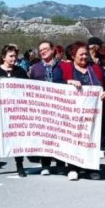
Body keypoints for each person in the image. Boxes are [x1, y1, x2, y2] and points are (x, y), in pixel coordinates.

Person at [60, 41, 105, 181]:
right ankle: (73, 167)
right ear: (73, 55)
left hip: (92, 113)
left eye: (86, 54)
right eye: (81, 54)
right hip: (72, 113)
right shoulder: (65, 68)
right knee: (74, 139)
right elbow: (55, 85)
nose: (84, 57)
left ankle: (91, 168)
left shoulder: (96, 69)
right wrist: (68, 82)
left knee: (91, 139)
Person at [0, 44, 29, 178]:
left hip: (16, 111)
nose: (13, 59)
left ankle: (19, 165)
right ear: (3, 57)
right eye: (11, 56)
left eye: (15, 56)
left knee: (16, 137)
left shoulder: (20, 71)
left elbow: (28, 88)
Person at [28, 40, 64, 175]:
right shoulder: (35, 68)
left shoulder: (62, 66)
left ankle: (61, 164)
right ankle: (45, 164)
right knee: (45, 137)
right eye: (40, 49)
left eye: (45, 48)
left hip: (60, 108)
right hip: (42, 110)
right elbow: (29, 87)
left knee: (60, 136)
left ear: (53, 49)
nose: (42, 51)